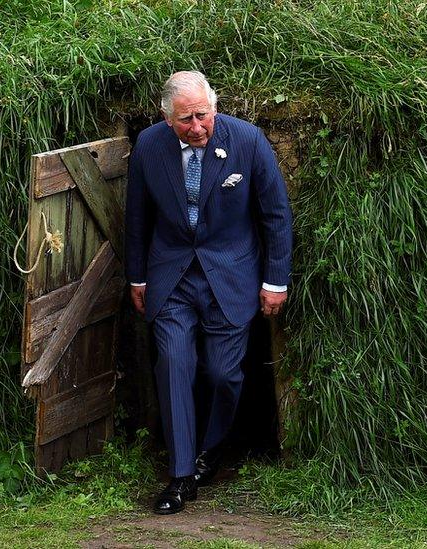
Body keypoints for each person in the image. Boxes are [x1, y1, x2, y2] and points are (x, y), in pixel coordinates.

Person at [125, 71, 293, 514]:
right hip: (172, 275)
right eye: (185, 120)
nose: (196, 126)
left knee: (223, 374)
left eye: (202, 115)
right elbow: (137, 216)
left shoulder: (248, 140)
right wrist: (137, 277)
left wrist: (275, 281)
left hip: (230, 275)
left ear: (214, 108)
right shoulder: (148, 145)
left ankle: (212, 449)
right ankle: (181, 476)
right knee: (175, 363)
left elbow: (275, 214)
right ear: (166, 118)